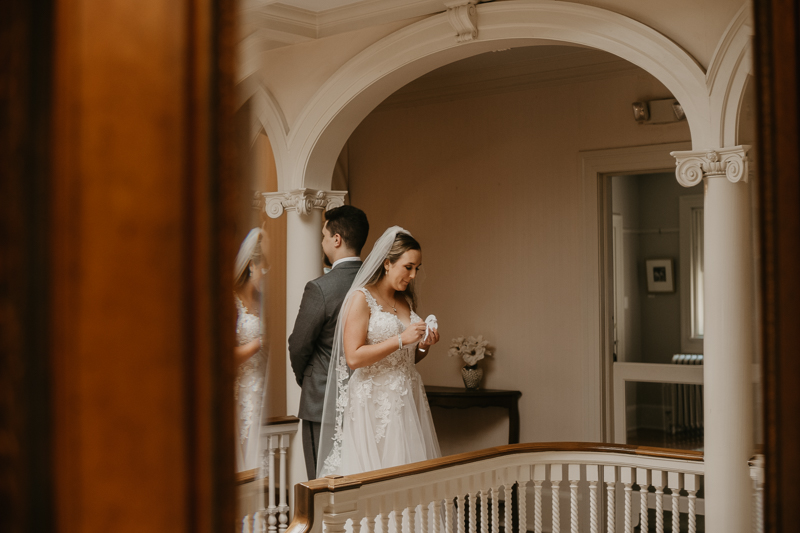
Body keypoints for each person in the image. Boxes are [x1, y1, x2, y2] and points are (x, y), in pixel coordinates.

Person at [318, 226, 441, 477]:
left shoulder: (405, 301)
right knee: (379, 474)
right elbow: (353, 357)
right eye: (408, 267)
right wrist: (400, 339)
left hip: (408, 398)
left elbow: (408, 359)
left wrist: (423, 346)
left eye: (417, 268)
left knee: (409, 474)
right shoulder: (361, 298)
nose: (413, 275)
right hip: (373, 401)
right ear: (387, 263)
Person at [289, 205, 370, 480]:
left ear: (336, 239)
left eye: (324, 235)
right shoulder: (375, 283)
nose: (322, 242)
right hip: (367, 398)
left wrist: (308, 379)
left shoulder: (320, 287)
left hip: (321, 400)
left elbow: (299, 345)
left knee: (320, 483)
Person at [233, 228, 269, 473]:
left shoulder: (265, 300)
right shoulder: (231, 301)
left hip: (267, 384)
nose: (267, 275)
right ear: (251, 266)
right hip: (244, 388)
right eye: (264, 269)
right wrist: (260, 343)